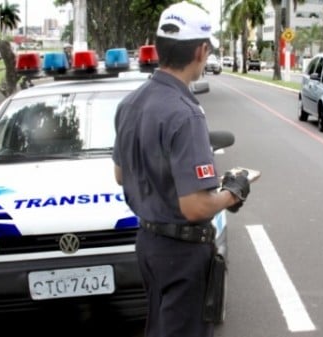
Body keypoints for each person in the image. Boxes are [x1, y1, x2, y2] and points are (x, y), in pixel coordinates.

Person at [112, 2, 251, 337]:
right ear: (201, 51)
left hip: (148, 244)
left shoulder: (131, 102)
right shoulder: (185, 113)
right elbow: (196, 206)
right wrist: (233, 191)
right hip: (181, 254)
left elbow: (120, 174)